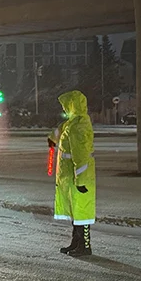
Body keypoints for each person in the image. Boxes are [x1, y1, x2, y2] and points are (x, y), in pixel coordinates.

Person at [48, 90, 96, 257]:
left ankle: (84, 246)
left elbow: (81, 155)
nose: (64, 109)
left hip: (79, 178)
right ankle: (76, 242)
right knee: (76, 211)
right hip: (71, 177)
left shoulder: (79, 125)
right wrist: (52, 138)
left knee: (82, 212)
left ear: (72, 105)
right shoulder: (73, 123)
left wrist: (81, 179)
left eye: (66, 106)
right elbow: (61, 130)